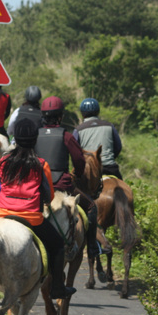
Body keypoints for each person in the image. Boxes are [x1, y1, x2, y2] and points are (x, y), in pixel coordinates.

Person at [0, 118, 77, 300]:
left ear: (15, 138)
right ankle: (57, 288)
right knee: (57, 245)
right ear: (35, 140)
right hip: (31, 219)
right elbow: (49, 197)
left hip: (4, 215)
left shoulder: (4, 161)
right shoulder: (41, 164)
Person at [34, 96, 100, 263]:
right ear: (60, 116)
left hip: (39, 187)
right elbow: (79, 160)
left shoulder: (35, 135)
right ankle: (92, 248)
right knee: (91, 207)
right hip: (62, 185)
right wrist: (78, 174)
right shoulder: (66, 136)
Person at [73, 98, 123, 180]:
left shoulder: (78, 130)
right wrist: (109, 158)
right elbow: (118, 147)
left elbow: (75, 153)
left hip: (89, 170)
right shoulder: (109, 126)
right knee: (122, 186)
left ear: (82, 114)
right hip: (109, 167)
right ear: (98, 111)